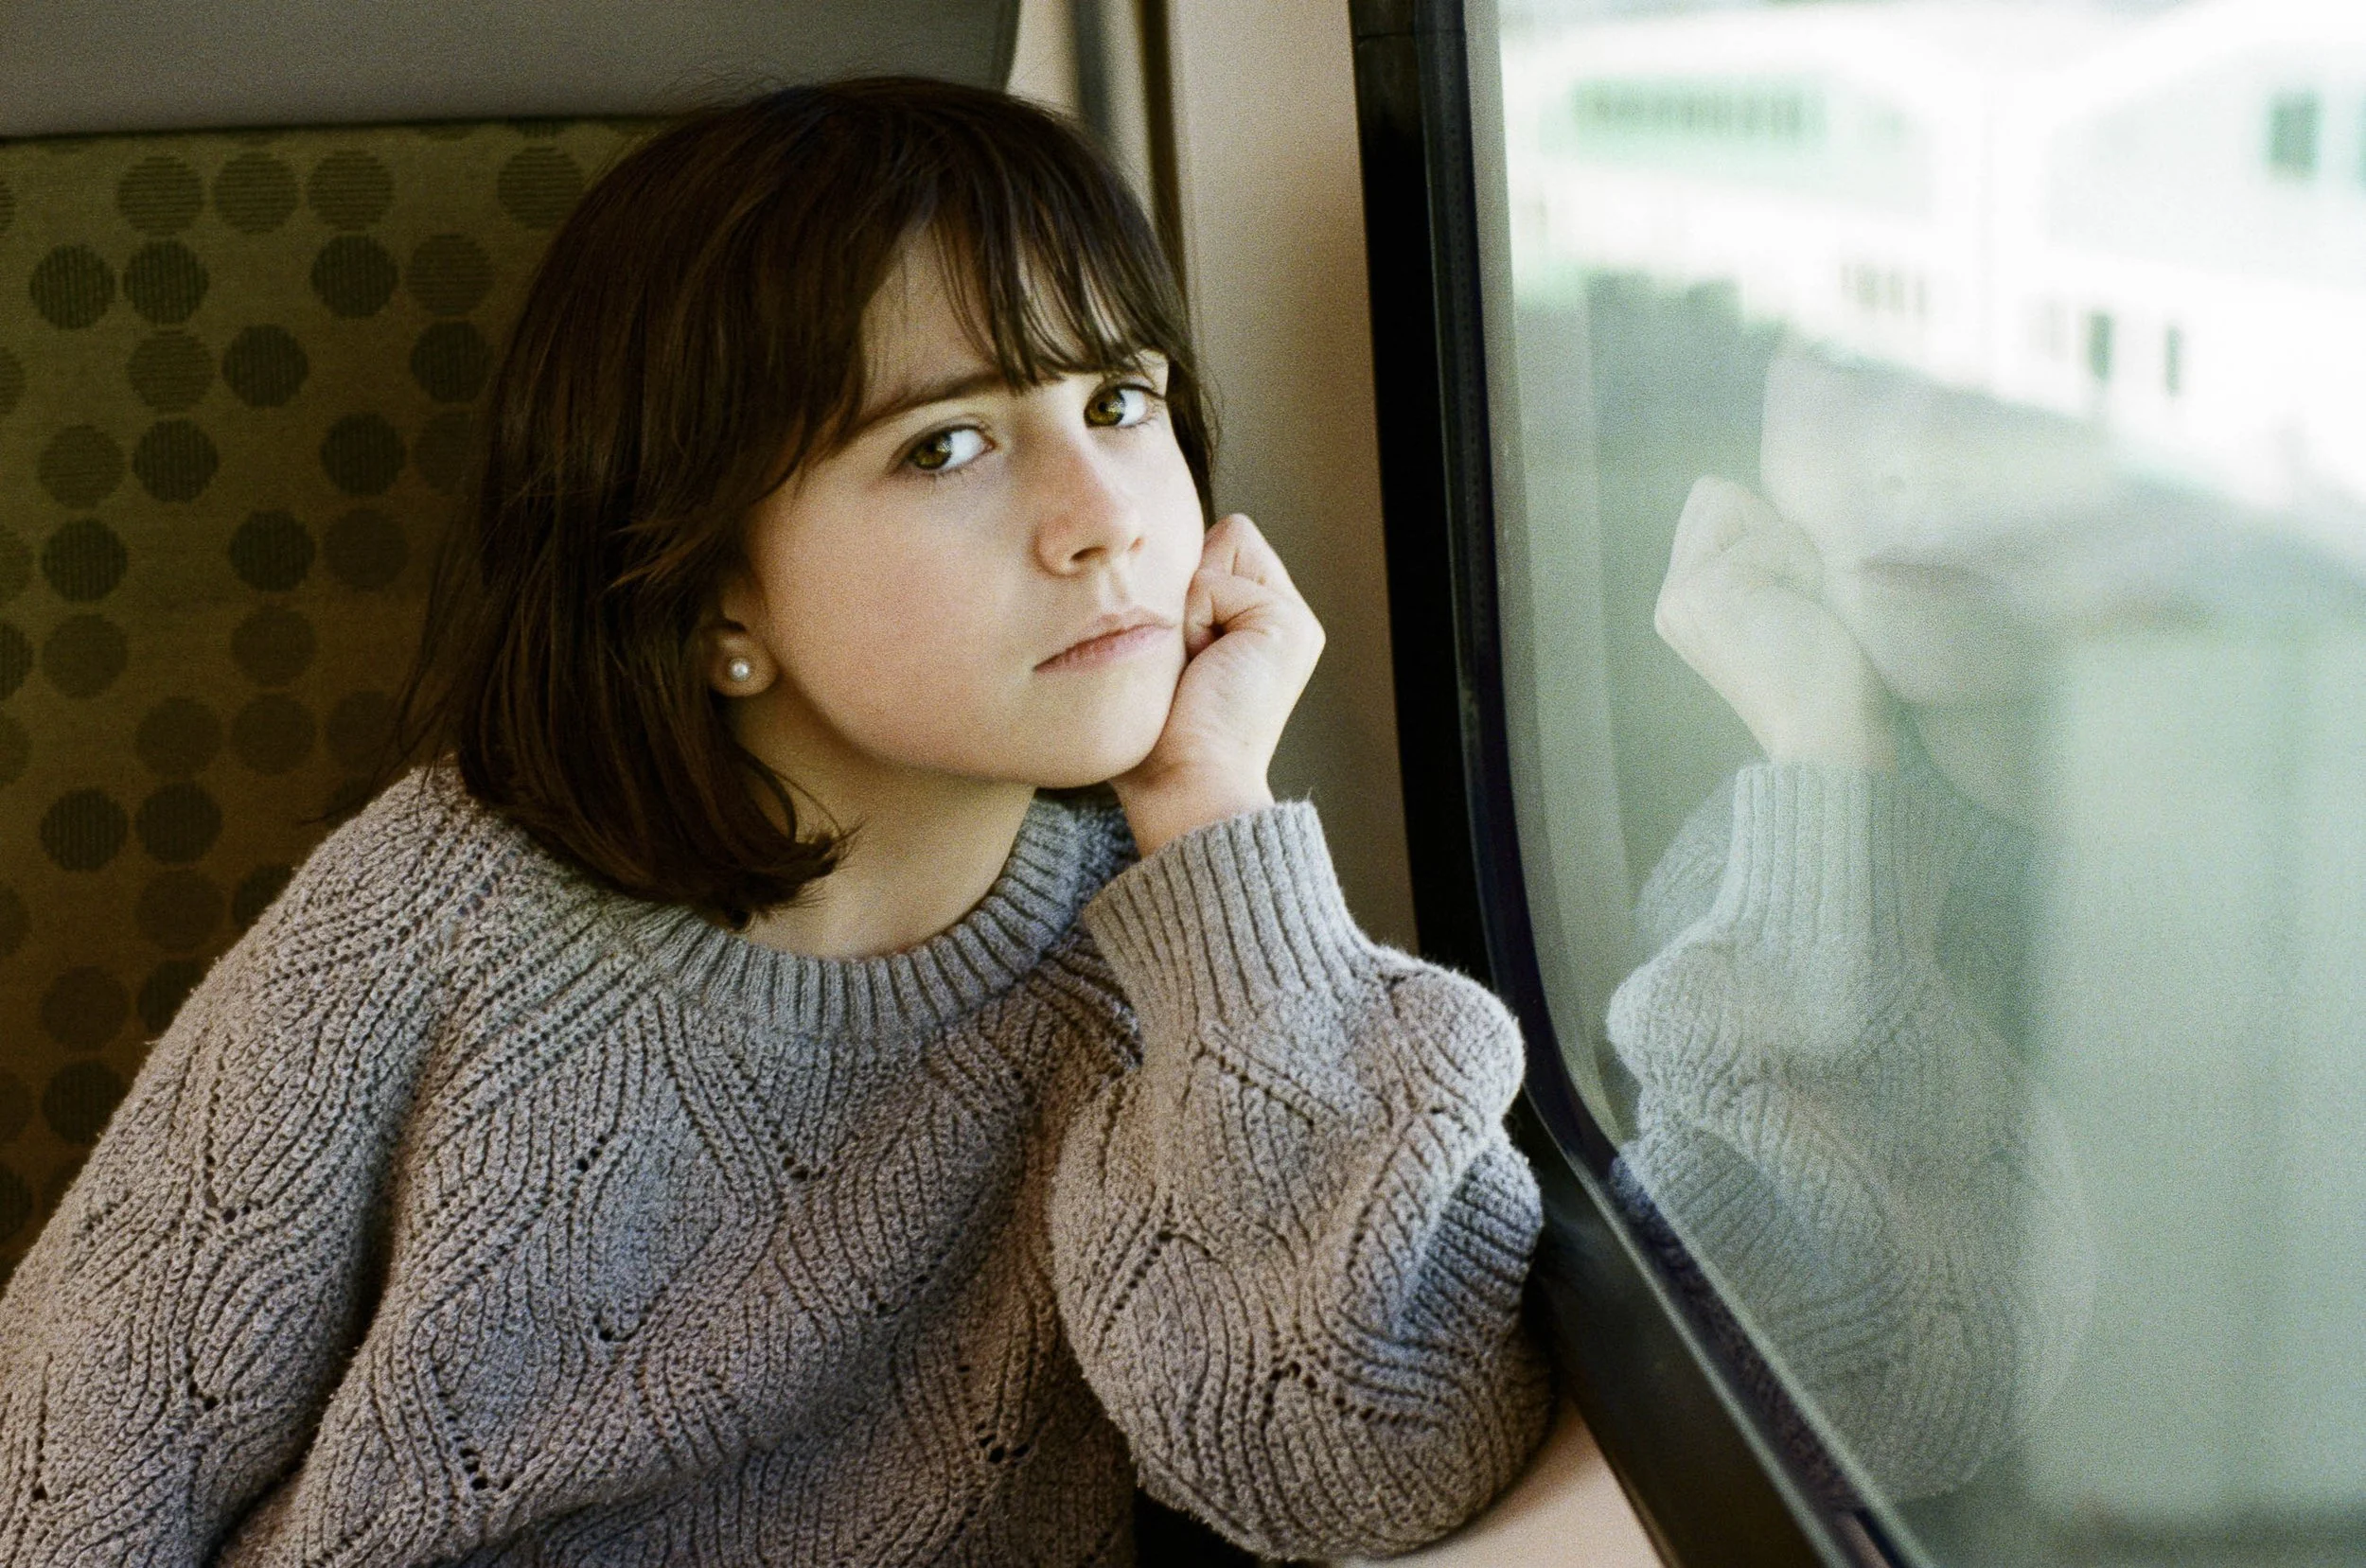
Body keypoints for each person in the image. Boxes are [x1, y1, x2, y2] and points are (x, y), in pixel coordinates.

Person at [0, 79, 1552, 1565]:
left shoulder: (1182, 972)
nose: (1107, 518)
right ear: (717, 593)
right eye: (948, 441)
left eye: (1121, 398)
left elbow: (1372, 1465)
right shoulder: (438, 912)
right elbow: (80, 1454)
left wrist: (1211, 818)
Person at [1604, 345, 2097, 1503]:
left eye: (2010, 376)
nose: (1919, 456)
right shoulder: (1751, 867)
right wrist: (1825, 743)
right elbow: (1799, 1402)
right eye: (1850, 358)